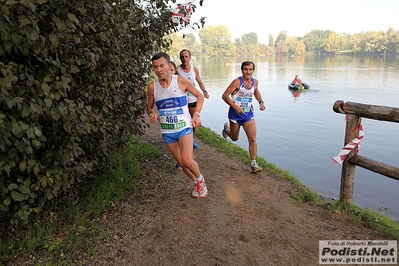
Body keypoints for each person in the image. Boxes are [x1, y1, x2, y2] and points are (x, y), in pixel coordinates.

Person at [147, 52, 208, 198]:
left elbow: (199, 96)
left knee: (187, 160)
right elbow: (149, 107)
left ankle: (201, 180)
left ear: (169, 66)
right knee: (181, 163)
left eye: (162, 66)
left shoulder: (180, 81)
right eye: (155, 67)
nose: (159, 70)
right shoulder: (152, 87)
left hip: (184, 127)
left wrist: (197, 114)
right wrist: (152, 113)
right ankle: (196, 182)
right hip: (168, 132)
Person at [221, 61, 266, 173]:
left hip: (248, 114)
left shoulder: (255, 82)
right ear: (242, 70)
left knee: (252, 138)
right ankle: (227, 130)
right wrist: (235, 106)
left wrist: (261, 101)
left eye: (250, 69)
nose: (248, 72)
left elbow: (256, 92)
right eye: (245, 69)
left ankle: (254, 164)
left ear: (253, 71)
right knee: (235, 138)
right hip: (235, 114)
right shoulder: (237, 82)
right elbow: (225, 96)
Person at [177, 49, 209, 149]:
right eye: (182, 57)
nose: (184, 58)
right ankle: (182, 139)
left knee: (194, 121)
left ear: (190, 58)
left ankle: (192, 138)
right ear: (180, 58)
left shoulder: (194, 69)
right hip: (182, 100)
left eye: (186, 56)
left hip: (193, 99)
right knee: (183, 121)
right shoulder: (177, 70)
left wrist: (204, 91)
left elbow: (199, 82)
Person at [170, 61, 183, 171]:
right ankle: (179, 160)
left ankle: (181, 161)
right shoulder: (158, 85)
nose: (170, 72)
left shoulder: (181, 82)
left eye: (172, 70)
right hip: (169, 119)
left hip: (182, 115)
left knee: (181, 137)